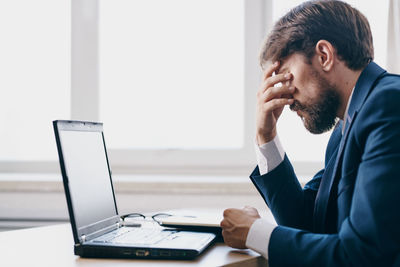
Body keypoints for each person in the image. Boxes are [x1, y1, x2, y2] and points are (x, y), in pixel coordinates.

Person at [220, 0, 400, 266]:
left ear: (324, 55)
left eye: (286, 77)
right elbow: (308, 222)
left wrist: (255, 232)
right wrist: (266, 136)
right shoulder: (347, 126)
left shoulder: (387, 106)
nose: (286, 97)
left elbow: (364, 254)